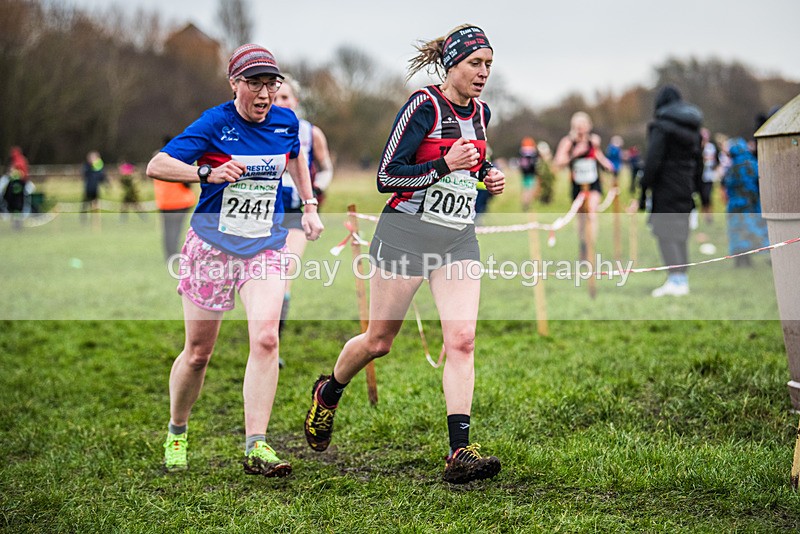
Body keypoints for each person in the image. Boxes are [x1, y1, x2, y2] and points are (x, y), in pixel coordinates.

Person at [303, 24, 505, 485]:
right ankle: (329, 391)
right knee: (379, 341)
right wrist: (443, 165)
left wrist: (488, 174)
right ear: (451, 65)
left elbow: (473, 160)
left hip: (457, 237)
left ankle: (459, 451)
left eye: (489, 64)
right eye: (475, 63)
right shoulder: (424, 106)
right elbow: (387, 176)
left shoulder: (482, 112)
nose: (483, 73)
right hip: (406, 235)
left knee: (463, 340)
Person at [146, 43, 324, 477]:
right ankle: (177, 429)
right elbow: (157, 164)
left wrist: (309, 204)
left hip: (265, 246)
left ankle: (256, 445)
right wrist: (205, 173)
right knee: (198, 353)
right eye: (254, 84)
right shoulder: (214, 123)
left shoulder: (286, 122)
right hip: (212, 248)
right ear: (234, 83)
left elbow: (296, 159)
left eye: (271, 84)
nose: (264, 94)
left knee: (266, 339)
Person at [272, 76, 334, 338]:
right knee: (265, 272)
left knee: (286, 268)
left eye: (285, 97)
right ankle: (265, 325)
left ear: (295, 101)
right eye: (275, 98)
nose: (280, 102)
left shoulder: (310, 133)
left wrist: (315, 191)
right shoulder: (257, 129)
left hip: (297, 213)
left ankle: (275, 332)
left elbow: (326, 168)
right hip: (265, 213)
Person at [640, 84, 703, 297]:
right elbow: (699, 162)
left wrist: (644, 187)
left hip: (665, 188)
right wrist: (699, 190)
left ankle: (676, 280)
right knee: (681, 234)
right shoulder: (694, 129)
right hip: (686, 187)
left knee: (665, 234)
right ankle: (681, 279)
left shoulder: (661, 127)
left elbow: (653, 160)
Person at [553, 112, 615, 260]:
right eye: (578, 125)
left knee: (591, 213)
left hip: (593, 183)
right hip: (577, 185)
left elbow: (599, 156)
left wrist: (609, 165)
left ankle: (591, 248)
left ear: (589, 126)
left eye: (583, 125)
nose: (581, 128)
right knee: (581, 220)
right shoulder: (568, 142)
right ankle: (583, 246)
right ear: (573, 127)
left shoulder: (593, 141)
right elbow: (558, 163)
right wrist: (574, 154)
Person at [721, 138, 768, 267]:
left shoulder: (733, 168)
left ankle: (742, 260)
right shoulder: (753, 164)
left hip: (736, 204)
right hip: (752, 203)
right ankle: (767, 254)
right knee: (755, 228)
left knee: (737, 231)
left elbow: (727, 184)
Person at [152, 137, 197, 260]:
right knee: (176, 230)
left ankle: (168, 254)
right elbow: (188, 181)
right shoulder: (179, 159)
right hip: (180, 200)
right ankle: (175, 254)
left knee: (167, 230)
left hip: (164, 201)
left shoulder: (156, 160)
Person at [698, 128, 719, 226]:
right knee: (702, 197)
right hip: (699, 177)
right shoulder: (697, 147)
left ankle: (709, 216)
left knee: (707, 196)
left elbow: (715, 160)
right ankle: (705, 217)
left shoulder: (711, 147)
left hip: (709, 176)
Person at [81, 150, 106, 221]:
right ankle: (83, 219)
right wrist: (91, 166)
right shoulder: (87, 166)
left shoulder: (99, 168)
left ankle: (96, 220)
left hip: (95, 189)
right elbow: (84, 174)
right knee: (85, 204)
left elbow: (102, 178)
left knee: (96, 205)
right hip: (88, 189)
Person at [518, 137, 539, 211]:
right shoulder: (533, 153)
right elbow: (535, 163)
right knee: (530, 189)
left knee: (525, 189)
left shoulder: (522, 152)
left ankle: (525, 203)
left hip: (524, 173)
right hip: (531, 174)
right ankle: (527, 203)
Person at [535, 140, 555, 204]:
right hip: (542, 176)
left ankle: (547, 198)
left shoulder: (547, 160)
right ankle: (542, 198)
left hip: (547, 176)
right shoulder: (540, 161)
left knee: (547, 187)